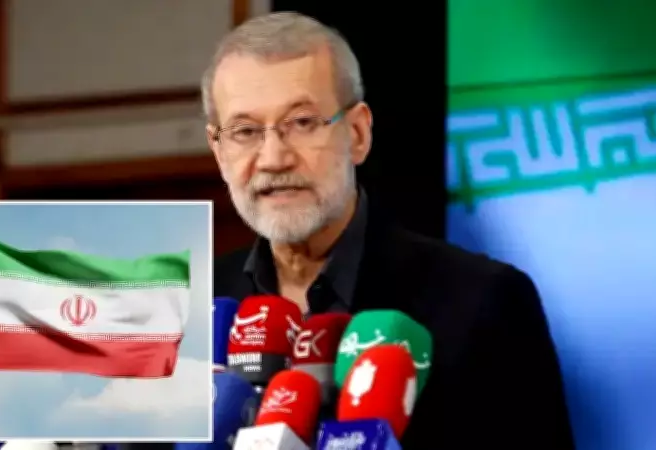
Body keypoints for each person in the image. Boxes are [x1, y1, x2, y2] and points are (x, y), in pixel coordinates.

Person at [207, 12, 575, 449]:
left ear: (358, 134)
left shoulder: (484, 301)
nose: (273, 158)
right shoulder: (194, 312)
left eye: (302, 123)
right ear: (219, 151)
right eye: (245, 131)